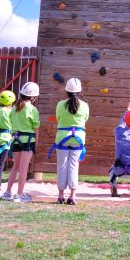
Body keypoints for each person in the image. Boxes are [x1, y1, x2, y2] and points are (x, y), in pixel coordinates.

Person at [51, 77, 89, 205]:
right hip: (78, 138)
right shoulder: (84, 106)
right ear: (79, 91)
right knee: (74, 165)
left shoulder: (60, 104)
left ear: (66, 90)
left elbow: (58, 118)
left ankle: (60, 196)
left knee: (61, 166)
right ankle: (72, 196)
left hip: (62, 137)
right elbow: (85, 119)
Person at [3, 82, 40, 203]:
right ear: (32, 96)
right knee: (24, 169)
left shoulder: (14, 108)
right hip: (28, 141)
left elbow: (11, 123)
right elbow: (36, 127)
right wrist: (36, 143)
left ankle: (7, 192)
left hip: (16, 139)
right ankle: (19, 194)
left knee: (16, 167)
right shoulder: (32, 109)